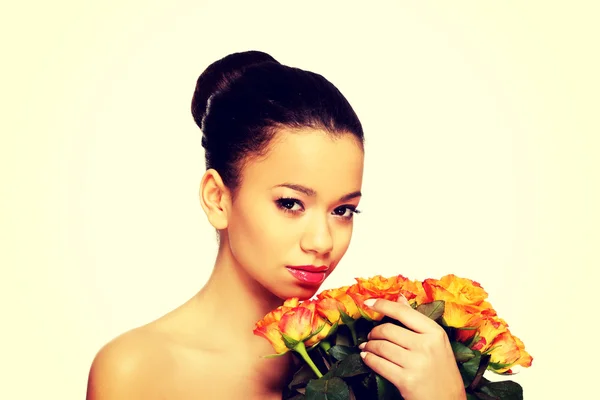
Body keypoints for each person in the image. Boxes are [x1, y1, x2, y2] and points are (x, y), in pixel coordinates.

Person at [85, 50, 466, 399]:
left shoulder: (375, 359)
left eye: (343, 211)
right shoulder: (136, 371)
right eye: (290, 203)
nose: (322, 242)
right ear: (218, 198)